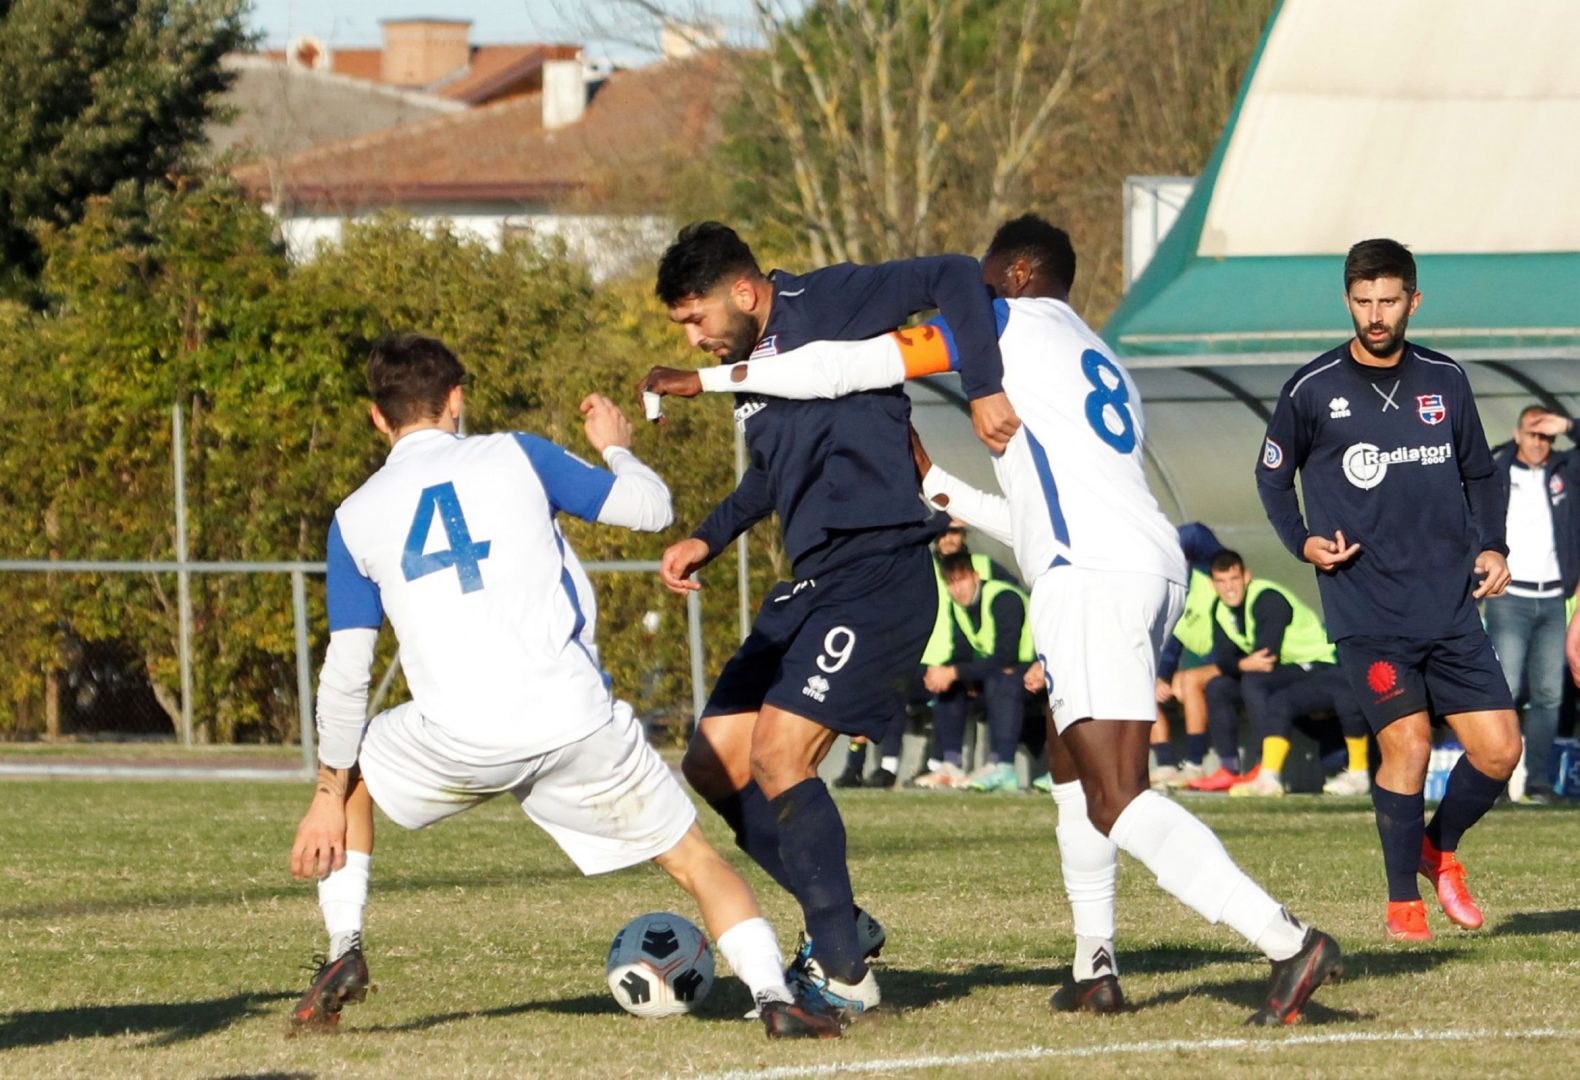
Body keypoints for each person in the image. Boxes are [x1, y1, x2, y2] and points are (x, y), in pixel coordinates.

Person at [646, 214, 1343, 1025]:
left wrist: (702, 382)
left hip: (1090, 576)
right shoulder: (1098, 355)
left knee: (1116, 796)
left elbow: (844, 366)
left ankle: (1286, 940)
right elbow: (1036, 514)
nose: (967, 297)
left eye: (982, 278)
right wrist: (938, 486)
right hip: (1132, 561)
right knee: (1071, 773)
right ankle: (1094, 966)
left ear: (1013, 275)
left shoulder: (1003, 322)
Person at [287, 334, 837, 1039]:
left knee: (355, 769)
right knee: (695, 861)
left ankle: (346, 946)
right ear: (456, 399)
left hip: (459, 736)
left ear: (376, 416)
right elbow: (651, 509)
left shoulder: (354, 518)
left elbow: (346, 674)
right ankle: (774, 998)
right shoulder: (516, 454)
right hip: (575, 720)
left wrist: (328, 795)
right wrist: (616, 448)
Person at [640, 222, 1020, 1023]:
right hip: (810, 583)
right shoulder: (748, 374)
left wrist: (983, 386)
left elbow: (956, 271)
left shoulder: (832, 299)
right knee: (713, 764)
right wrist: (706, 538)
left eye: (695, 318)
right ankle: (841, 923)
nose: (693, 338)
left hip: (878, 568)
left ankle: (844, 974)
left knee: (779, 756)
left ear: (744, 293)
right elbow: (768, 478)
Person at [1257, 238, 1521, 941]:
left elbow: (1481, 474)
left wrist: (1493, 545)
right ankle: (1403, 903)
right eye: (1363, 301)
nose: (1376, 315)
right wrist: (1302, 540)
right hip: (1367, 607)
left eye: (1389, 301)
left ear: (1413, 301)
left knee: (1500, 751)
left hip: (1450, 606)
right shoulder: (1312, 389)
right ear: (1348, 301)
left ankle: (1436, 848)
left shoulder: (1445, 379)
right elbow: (1272, 476)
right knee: (1408, 743)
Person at [1183, 550, 1369, 797]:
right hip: (1286, 670)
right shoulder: (1220, 609)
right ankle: (1228, 768)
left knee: (1256, 682)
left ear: (1246, 576)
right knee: (1219, 686)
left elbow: (1266, 656)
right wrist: (1241, 664)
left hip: (1317, 663)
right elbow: (1225, 659)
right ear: (1212, 584)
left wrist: (1240, 664)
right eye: (1222, 581)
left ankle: (1265, 767)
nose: (1229, 588)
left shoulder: (1267, 597)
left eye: (1234, 579)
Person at [1486, 405, 1580, 803]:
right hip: (1510, 596)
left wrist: (1569, 425)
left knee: (1548, 694)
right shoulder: (1497, 469)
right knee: (1505, 689)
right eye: (1533, 434)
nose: (1540, 443)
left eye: (1547, 436)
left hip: (1554, 597)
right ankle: (1496, 780)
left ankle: (1538, 781)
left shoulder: (1566, 470)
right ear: (1517, 434)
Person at [918, 549, 1035, 792]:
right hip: (998, 672)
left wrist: (956, 672)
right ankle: (950, 764)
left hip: (1033, 673)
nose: (957, 589)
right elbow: (962, 652)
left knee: (1000, 680)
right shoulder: (959, 608)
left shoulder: (1004, 598)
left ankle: (1002, 766)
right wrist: (948, 673)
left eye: (961, 580)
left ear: (976, 576)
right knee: (950, 684)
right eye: (951, 583)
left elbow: (1006, 657)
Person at [1151, 523, 1228, 787]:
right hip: (1214, 666)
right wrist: (1161, 678)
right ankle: (1165, 766)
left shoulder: (1210, 575)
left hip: (1236, 661)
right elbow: (1171, 648)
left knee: (1188, 680)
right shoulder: (1170, 600)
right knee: (1145, 686)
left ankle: (1195, 764)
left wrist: (1167, 545)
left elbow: (1194, 533)